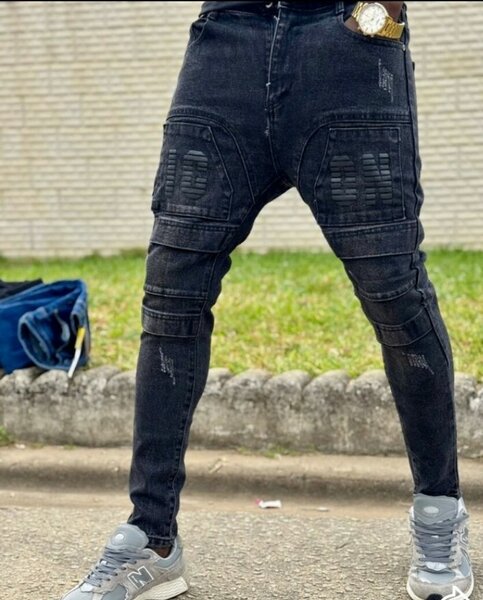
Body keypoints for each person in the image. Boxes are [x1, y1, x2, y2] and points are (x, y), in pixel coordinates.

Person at [60, 1, 474, 599]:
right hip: (226, 38)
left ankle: (439, 513)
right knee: (172, 293)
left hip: (348, 42)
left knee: (393, 289)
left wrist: (376, 13)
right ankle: (150, 539)